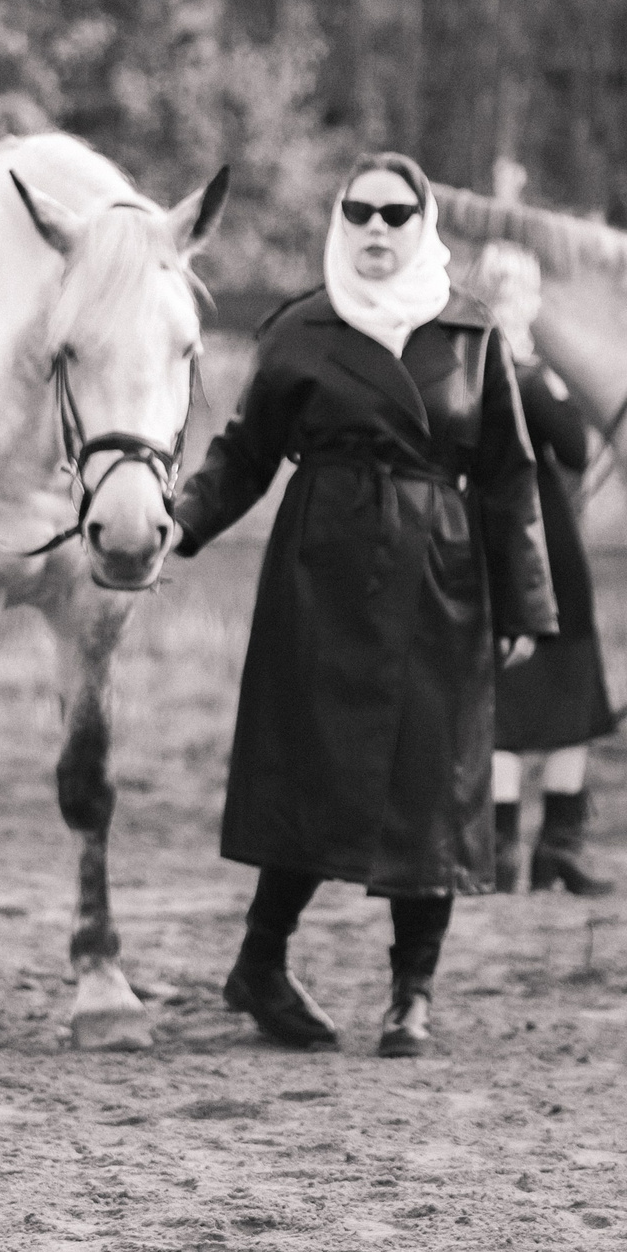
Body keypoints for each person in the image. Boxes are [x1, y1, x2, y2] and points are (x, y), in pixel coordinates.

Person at [170, 152, 556, 1058]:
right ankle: (260, 962)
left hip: (440, 577)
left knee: (430, 783)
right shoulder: (301, 327)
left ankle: (411, 993)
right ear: (341, 220)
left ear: (422, 224)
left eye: (394, 213)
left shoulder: (471, 332)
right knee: (311, 772)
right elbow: (244, 455)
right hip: (322, 575)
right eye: (360, 211)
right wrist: (176, 522)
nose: (376, 228)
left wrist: (525, 602)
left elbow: (509, 474)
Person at [470, 243, 618, 897]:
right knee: (569, 686)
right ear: (513, 300)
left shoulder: (453, 368)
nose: (531, 302)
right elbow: (576, 448)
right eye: (525, 291)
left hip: (482, 541)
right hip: (547, 543)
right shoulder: (528, 376)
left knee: (504, 689)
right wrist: (554, 384)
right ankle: (557, 845)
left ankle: (503, 848)